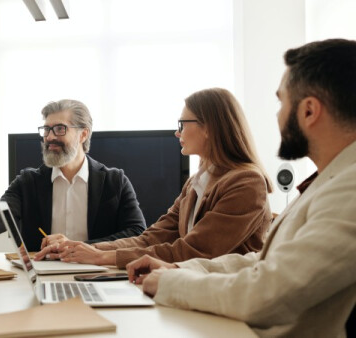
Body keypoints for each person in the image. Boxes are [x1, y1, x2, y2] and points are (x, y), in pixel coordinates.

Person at [126, 39, 356, 337]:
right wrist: (180, 271)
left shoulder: (348, 189)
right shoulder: (329, 181)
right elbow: (262, 263)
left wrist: (171, 283)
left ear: (309, 111)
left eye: (281, 102)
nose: (277, 115)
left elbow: (269, 292)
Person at [36, 88, 273, 269]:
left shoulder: (247, 183)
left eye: (183, 124)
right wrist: (85, 249)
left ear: (209, 127)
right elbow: (151, 238)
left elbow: (194, 250)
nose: (177, 132)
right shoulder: (195, 184)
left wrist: (103, 256)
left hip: (224, 300)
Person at [0, 99, 146, 251]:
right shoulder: (28, 181)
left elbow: (137, 233)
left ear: (83, 134)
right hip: (44, 272)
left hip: (99, 273)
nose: (50, 137)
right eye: (46, 129)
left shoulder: (115, 181)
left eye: (59, 129)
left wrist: (80, 247)